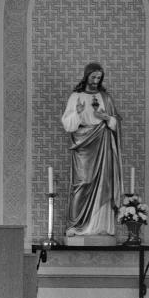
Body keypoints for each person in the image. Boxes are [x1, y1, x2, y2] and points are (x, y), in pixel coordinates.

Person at [62, 61, 121, 238]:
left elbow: (116, 123)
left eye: (99, 77)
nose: (96, 80)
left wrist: (107, 117)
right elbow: (68, 125)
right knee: (83, 182)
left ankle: (99, 227)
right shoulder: (76, 96)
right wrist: (78, 112)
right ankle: (76, 225)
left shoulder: (106, 97)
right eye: (93, 76)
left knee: (103, 183)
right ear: (87, 76)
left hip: (102, 143)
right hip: (83, 145)